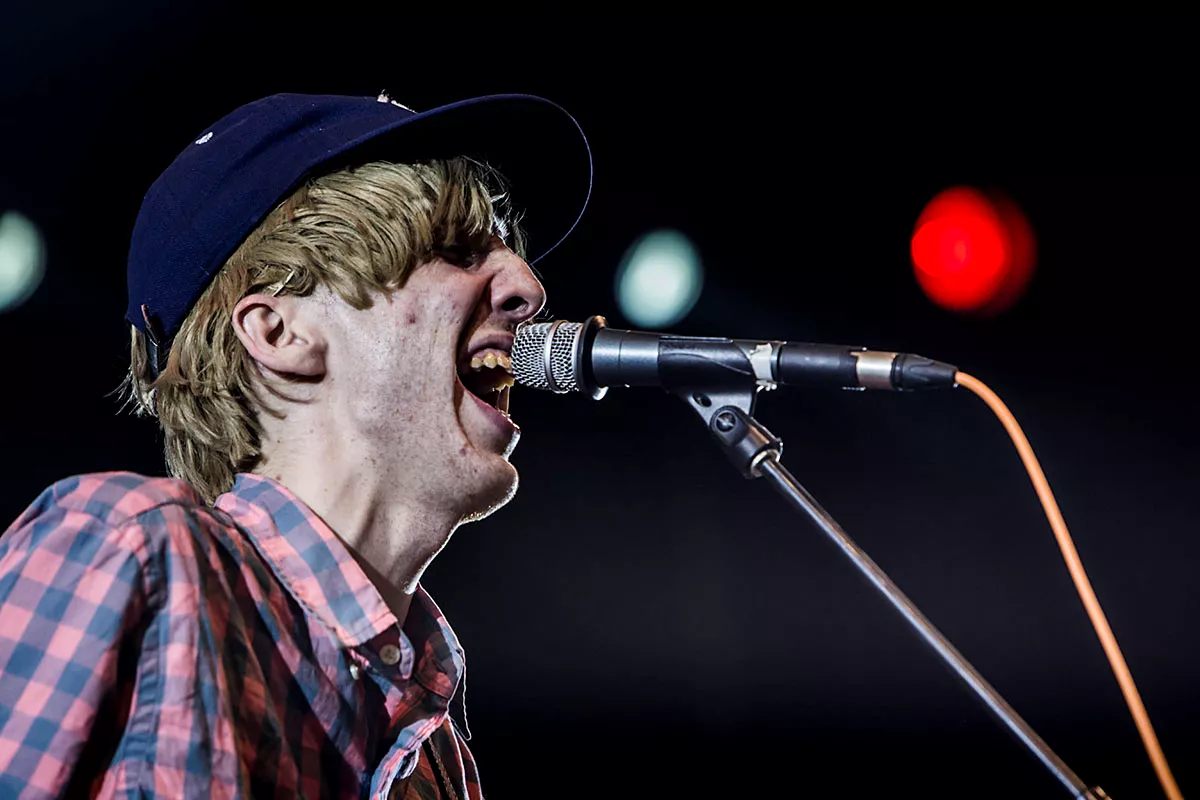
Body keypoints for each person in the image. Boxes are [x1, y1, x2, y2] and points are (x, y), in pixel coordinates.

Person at [0, 91, 591, 799]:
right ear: (281, 333)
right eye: (454, 251)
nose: (530, 287)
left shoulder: (438, 760)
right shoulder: (134, 547)